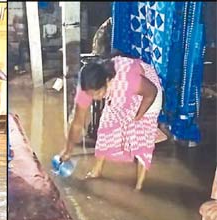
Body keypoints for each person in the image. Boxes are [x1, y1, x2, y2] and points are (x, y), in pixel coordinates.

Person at [59, 55, 162, 191]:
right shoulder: (87, 87)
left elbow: (151, 92)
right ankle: (96, 171)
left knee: (141, 138)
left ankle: (139, 186)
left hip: (147, 94)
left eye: (97, 94)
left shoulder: (128, 80)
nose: (94, 98)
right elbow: (77, 122)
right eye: (91, 95)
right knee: (106, 127)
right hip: (121, 92)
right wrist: (68, 150)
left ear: (107, 81)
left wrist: (139, 116)